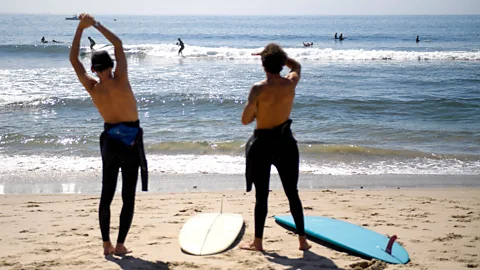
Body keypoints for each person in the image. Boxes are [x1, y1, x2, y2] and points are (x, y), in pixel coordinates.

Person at [69, 13, 148, 256]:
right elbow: (119, 44)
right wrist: (96, 24)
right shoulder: (121, 79)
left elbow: (73, 60)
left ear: (93, 69)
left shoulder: (93, 87)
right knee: (127, 195)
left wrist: (81, 29)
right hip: (131, 140)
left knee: (107, 192)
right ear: (112, 66)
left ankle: (106, 244)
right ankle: (121, 244)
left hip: (110, 142)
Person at [240, 43, 311, 252]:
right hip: (285, 143)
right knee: (292, 193)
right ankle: (302, 241)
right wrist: (279, 56)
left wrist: (256, 113)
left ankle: (258, 243)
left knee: (261, 195)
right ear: (281, 64)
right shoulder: (290, 84)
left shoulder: (258, 89)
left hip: (262, 144)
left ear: (263, 65)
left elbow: (245, 120)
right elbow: (296, 66)